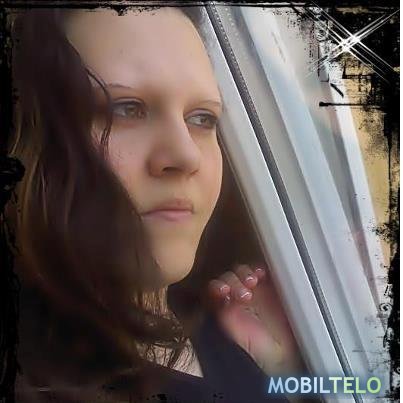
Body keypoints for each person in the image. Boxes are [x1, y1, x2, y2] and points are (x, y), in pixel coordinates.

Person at [7, 6, 305, 402]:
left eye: (202, 118)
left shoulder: (214, 327)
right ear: (29, 141)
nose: (186, 155)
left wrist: (274, 371)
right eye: (126, 109)